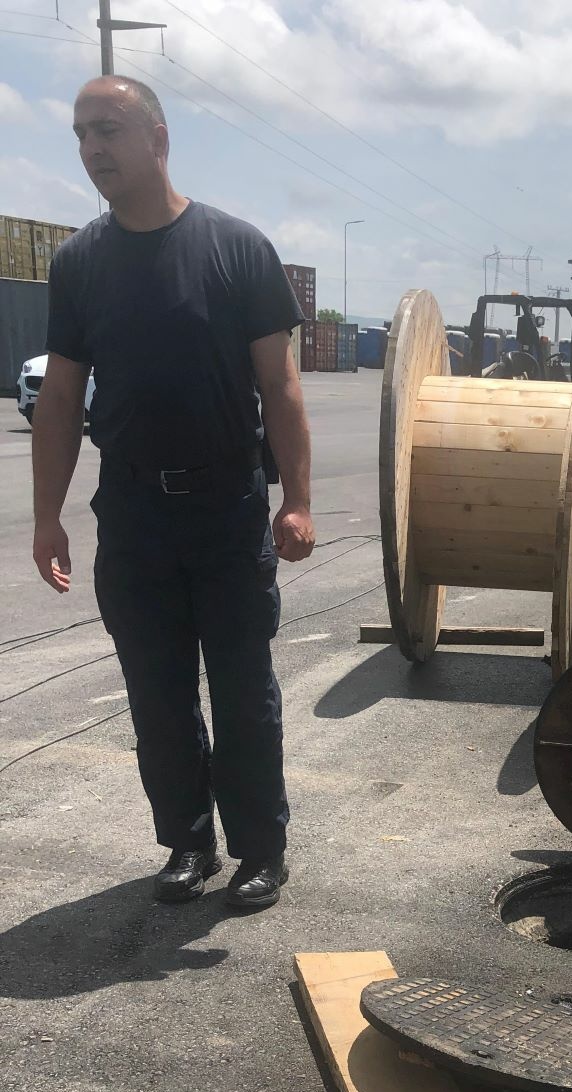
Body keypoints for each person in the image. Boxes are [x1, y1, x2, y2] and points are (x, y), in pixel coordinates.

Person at [32, 75, 315, 910]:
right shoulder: (80, 263)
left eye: (108, 130)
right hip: (133, 514)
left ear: (157, 138)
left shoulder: (237, 249)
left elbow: (281, 387)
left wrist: (297, 499)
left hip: (227, 510)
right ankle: (188, 844)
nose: (92, 149)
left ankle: (261, 848)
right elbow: (60, 398)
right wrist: (47, 516)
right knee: (156, 695)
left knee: (242, 692)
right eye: (81, 134)